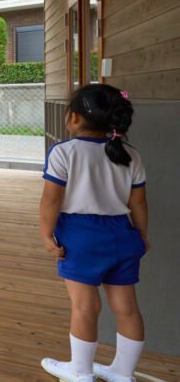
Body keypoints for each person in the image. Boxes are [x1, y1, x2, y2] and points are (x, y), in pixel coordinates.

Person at [38, 84, 148, 382]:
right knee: (127, 308)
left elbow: (52, 198)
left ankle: (81, 373)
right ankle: (123, 374)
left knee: (86, 306)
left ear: (73, 118)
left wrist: (46, 234)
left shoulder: (64, 152)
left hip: (81, 236)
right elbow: (138, 202)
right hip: (124, 234)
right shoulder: (131, 154)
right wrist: (141, 235)